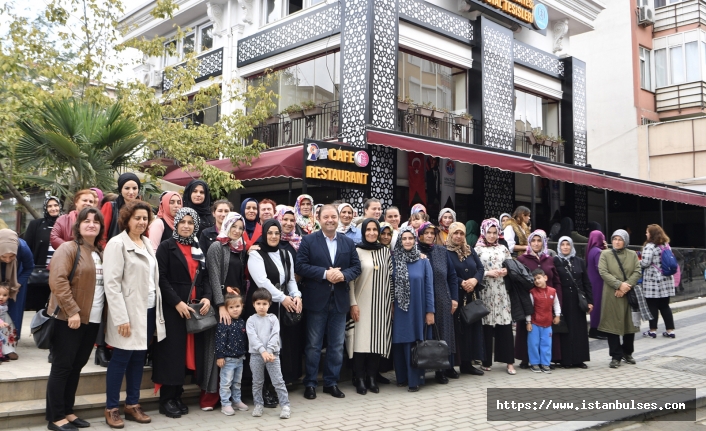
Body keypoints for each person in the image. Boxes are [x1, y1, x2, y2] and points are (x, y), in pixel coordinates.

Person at [103, 201, 167, 427]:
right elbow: (111, 284)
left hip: (148, 309)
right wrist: (121, 317)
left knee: (139, 358)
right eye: (137, 218)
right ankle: (111, 407)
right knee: (121, 359)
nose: (141, 222)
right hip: (128, 312)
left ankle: (132, 404)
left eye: (145, 218)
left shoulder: (148, 243)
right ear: (127, 219)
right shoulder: (117, 243)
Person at [45, 207, 105, 431]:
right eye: (86, 221)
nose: (91, 224)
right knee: (62, 366)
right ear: (78, 225)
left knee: (77, 366)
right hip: (69, 319)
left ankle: (68, 411)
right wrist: (72, 311)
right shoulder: (68, 248)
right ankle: (55, 417)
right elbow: (58, 281)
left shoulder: (99, 251)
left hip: (93, 319)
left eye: (96, 221)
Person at [296, 204, 361, 400]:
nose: (331, 220)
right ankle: (310, 383)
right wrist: (325, 274)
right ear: (319, 218)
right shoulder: (308, 240)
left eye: (334, 216)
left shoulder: (347, 242)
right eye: (326, 217)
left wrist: (342, 274)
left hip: (340, 301)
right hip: (316, 300)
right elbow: (301, 266)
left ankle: (332, 383)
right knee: (314, 345)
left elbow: (356, 268)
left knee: (336, 345)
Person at [154, 208, 212, 418]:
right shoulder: (166, 247)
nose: (186, 226)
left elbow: (204, 277)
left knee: (186, 354)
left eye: (190, 222)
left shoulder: (198, 247)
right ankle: (167, 399)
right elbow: (160, 278)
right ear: (176, 224)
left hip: (194, 309)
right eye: (182, 222)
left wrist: (207, 297)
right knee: (172, 353)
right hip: (173, 309)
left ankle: (177, 395)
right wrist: (176, 302)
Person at [247, 219, 303, 390]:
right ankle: (263, 388)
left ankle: (276, 385)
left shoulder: (285, 254)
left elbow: (291, 279)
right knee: (263, 344)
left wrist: (296, 295)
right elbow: (262, 281)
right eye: (269, 232)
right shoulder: (256, 254)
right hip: (264, 306)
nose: (273, 236)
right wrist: (283, 298)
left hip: (281, 308)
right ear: (264, 233)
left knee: (278, 344)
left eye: (276, 233)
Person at [349, 219, 393, 395]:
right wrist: (352, 303)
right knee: (360, 342)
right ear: (363, 231)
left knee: (376, 341)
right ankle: (359, 378)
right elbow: (351, 281)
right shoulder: (356, 251)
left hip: (381, 303)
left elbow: (390, 278)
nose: (372, 233)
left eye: (375, 230)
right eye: (369, 230)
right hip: (361, 302)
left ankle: (372, 378)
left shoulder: (385, 251)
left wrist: (391, 303)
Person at [391, 227, 434, 392]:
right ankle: (401, 377)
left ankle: (415, 380)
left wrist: (430, 311)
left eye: (410, 238)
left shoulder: (423, 261)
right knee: (401, 342)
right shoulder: (394, 260)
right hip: (400, 308)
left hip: (418, 308)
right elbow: (389, 284)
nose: (407, 241)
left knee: (416, 342)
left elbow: (429, 288)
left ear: (415, 240)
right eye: (404, 239)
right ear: (400, 241)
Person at [416, 222, 458, 383]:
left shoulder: (442, 251)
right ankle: (423, 368)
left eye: (432, 233)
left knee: (443, 334)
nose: (429, 235)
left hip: (442, 298)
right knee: (426, 334)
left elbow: (452, 276)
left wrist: (454, 299)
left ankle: (442, 369)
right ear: (419, 235)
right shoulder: (415, 251)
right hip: (422, 299)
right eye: (426, 233)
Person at [516, 230, 562, 368]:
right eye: (533, 241)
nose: (536, 243)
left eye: (539, 240)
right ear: (529, 243)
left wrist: (558, 300)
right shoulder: (522, 259)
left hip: (547, 301)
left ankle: (546, 360)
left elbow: (556, 281)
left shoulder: (550, 259)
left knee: (546, 335)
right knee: (528, 332)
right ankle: (526, 358)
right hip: (529, 300)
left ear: (543, 242)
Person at [474, 219, 515, 374]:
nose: (491, 236)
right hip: (485, 291)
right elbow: (474, 270)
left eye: (494, 232)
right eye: (489, 232)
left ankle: (509, 362)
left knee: (504, 325)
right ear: (483, 232)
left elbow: (511, 266)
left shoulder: (503, 248)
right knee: (486, 326)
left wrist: (506, 271)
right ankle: (486, 361)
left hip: (501, 292)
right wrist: (487, 273)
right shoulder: (477, 249)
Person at [445, 222, 485, 376]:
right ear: (450, 234)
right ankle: (451, 365)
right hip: (455, 295)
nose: (459, 236)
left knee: (471, 329)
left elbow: (480, 268)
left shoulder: (470, 250)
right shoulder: (445, 251)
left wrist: (474, 280)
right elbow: (448, 271)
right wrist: (462, 282)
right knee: (456, 329)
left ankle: (467, 364)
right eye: (455, 233)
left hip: (471, 295)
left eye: (461, 233)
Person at [598, 229, 641, 368]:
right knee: (612, 325)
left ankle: (627, 352)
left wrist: (626, 287)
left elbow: (637, 271)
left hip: (628, 294)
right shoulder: (605, 254)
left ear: (625, 241)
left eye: (620, 239)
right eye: (614, 239)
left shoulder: (632, 254)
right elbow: (603, 271)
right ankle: (615, 356)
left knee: (630, 325)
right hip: (612, 294)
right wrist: (618, 285)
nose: (616, 242)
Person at [247, 288, 292, 419]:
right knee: (257, 382)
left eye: (264, 304)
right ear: (253, 304)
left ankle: (285, 406)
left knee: (278, 381)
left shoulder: (273, 319)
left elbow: (275, 335)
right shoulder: (251, 320)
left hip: (273, 355)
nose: (261, 307)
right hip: (256, 355)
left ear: (269, 304)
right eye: (258, 303)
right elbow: (253, 337)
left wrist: (270, 351)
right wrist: (262, 351)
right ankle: (258, 405)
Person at [554, 236, 593, 369]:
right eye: (562, 244)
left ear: (571, 246)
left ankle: (579, 359)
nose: (565, 247)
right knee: (565, 329)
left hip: (577, 300)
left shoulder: (579, 261)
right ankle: (565, 360)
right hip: (562, 298)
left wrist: (590, 301)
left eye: (568, 244)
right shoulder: (555, 261)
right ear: (559, 246)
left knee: (579, 329)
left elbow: (586, 282)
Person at [23, 195, 63, 311]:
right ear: (45, 208)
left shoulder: (66, 223)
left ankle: (53, 329)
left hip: (60, 272)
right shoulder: (36, 224)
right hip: (41, 272)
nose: (53, 208)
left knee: (57, 307)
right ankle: (39, 328)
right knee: (40, 307)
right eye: (49, 206)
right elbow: (27, 247)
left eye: (55, 205)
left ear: (60, 206)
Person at [215, 293, 249, 416]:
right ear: (226, 308)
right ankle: (225, 403)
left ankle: (236, 400)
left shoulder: (242, 322)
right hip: (228, 359)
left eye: (237, 306)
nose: (235, 309)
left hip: (240, 358)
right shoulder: (224, 322)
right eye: (231, 307)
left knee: (237, 382)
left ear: (242, 306)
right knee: (226, 382)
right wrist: (220, 356)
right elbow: (219, 340)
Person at [641, 224, 676, 339]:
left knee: (652, 306)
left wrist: (637, 261)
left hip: (653, 280)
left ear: (652, 234)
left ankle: (653, 330)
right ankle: (670, 331)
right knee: (665, 306)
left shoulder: (649, 247)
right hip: (666, 279)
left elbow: (645, 263)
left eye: (647, 232)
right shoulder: (666, 245)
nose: (646, 234)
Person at [0, 229, 34, 344]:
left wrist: (18, 284)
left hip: (16, 279)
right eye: (4, 257)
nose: (8, 260)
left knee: (15, 310)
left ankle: (12, 341)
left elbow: (29, 267)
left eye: (11, 256)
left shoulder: (23, 248)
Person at [526, 269, 561, 374]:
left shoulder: (552, 291)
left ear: (545, 278)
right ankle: (534, 363)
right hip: (535, 323)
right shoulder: (532, 293)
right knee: (533, 344)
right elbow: (529, 308)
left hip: (548, 324)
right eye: (534, 279)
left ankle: (546, 363)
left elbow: (556, 304)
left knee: (546, 344)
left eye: (539, 278)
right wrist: (528, 322)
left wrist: (557, 315)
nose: (537, 281)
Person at [101, 173, 141, 241]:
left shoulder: (142, 209)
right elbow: (101, 235)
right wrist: (107, 250)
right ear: (120, 190)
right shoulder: (110, 206)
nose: (131, 192)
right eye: (127, 188)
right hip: (112, 249)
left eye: (134, 188)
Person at [586, 230, 607, 340]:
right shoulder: (598, 251)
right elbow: (601, 268)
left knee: (596, 305)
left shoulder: (591, 250)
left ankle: (595, 329)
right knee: (598, 306)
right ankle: (595, 329)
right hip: (599, 282)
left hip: (592, 281)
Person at [0, 285, 14, 362]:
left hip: (2, 325)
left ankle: (3, 354)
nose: (1, 297)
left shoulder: (4, 305)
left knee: (2, 339)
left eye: (5, 295)